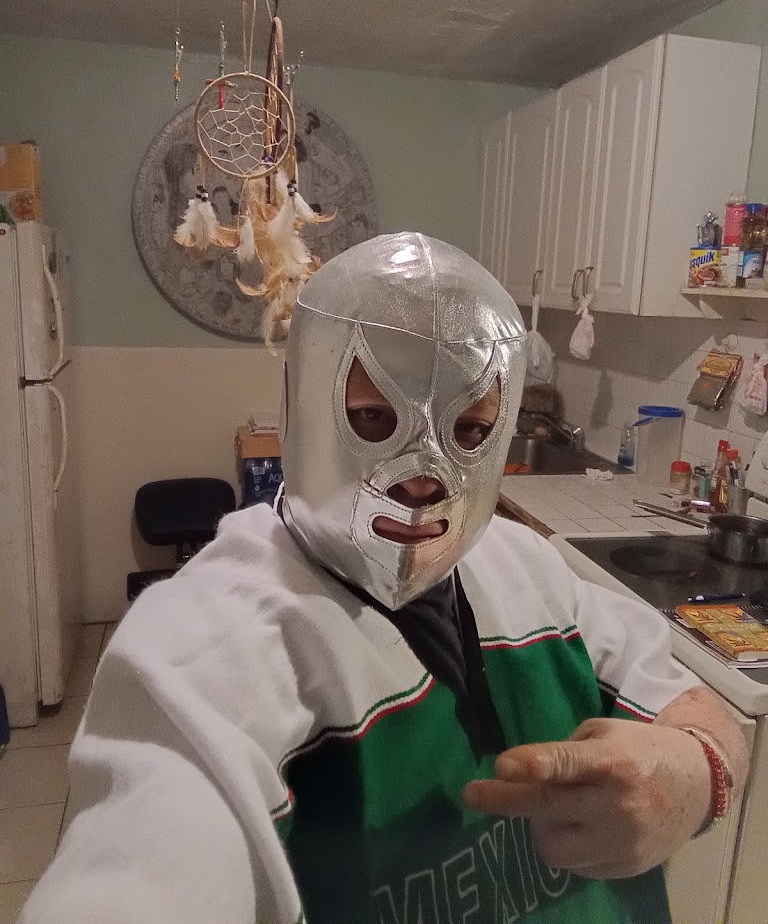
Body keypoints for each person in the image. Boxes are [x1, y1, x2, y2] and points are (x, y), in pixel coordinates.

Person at [20, 233, 747, 924]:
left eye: (469, 429)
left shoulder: (524, 566)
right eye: (373, 418)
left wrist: (695, 771)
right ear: (300, 404)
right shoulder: (202, 650)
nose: (424, 478)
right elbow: (143, 860)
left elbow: (701, 712)